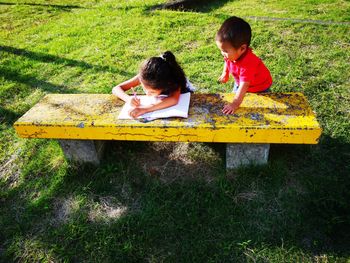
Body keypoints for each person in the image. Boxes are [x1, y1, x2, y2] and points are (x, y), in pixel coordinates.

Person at [216, 16, 273, 114]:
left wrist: (234, 104)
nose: (222, 54)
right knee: (235, 96)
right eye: (221, 50)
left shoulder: (248, 64)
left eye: (225, 51)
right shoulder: (232, 54)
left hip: (259, 86)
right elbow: (226, 60)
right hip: (240, 82)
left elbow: (244, 85)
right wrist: (225, 73)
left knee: (260, 107)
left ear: (242, 48)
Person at [112, 51, 192, 118]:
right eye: (145, 88)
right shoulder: (144, 76)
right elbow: (116, 89)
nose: (147, 93)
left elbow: (173, 99)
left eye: (152, 92)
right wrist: (128, 99)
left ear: (165, 86)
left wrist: (145, 109)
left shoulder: (173, 79)